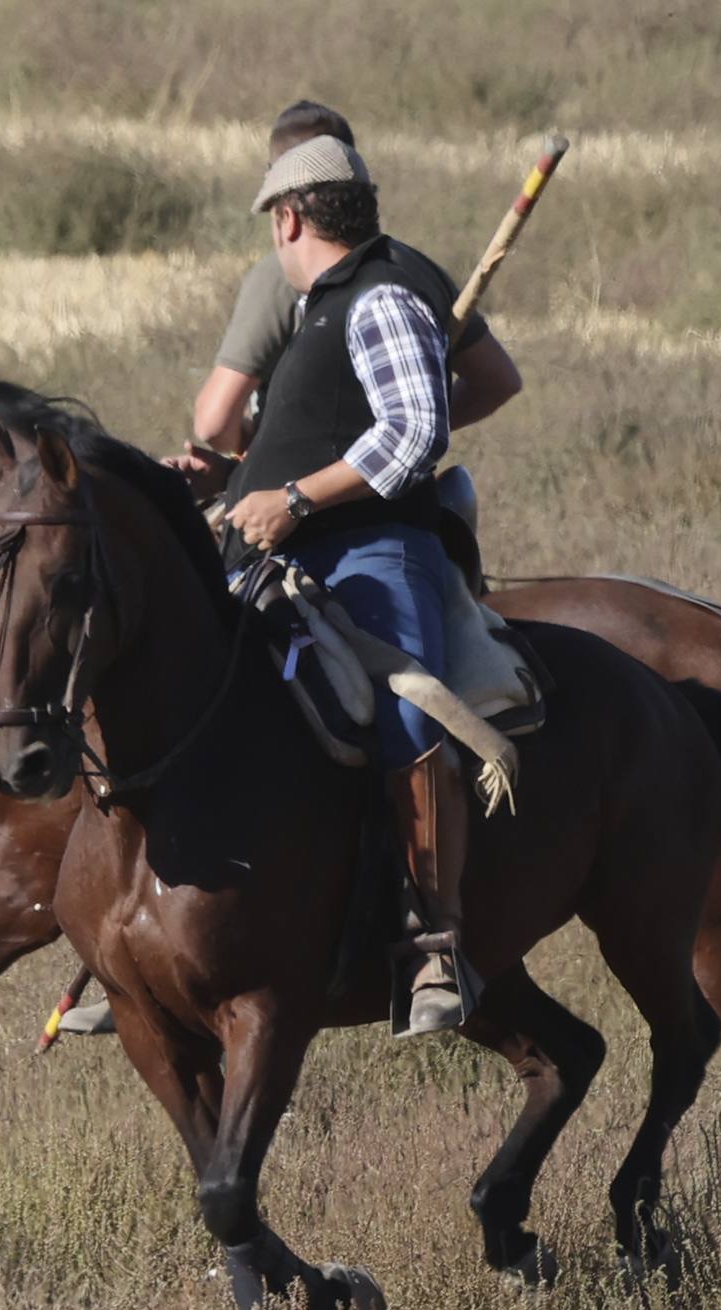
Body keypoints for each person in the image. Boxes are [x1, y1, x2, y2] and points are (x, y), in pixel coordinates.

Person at [182, 137, 502, 1037]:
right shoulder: (317, 310)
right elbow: (306, 435)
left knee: (410, 714)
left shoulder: (381, 297)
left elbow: (411, 435)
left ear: (289, 219)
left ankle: (432, 941)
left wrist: (292, 498)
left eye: (272, 228)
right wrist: (221, 479)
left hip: (369, 554)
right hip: (274, 554)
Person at [187, 101, 521, 466]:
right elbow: (497, 380)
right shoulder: (415, 269)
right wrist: (379, 440)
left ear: (284, 203)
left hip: (301, 506)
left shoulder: (279, 278)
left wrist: (277, 452)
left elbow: (214, 422)